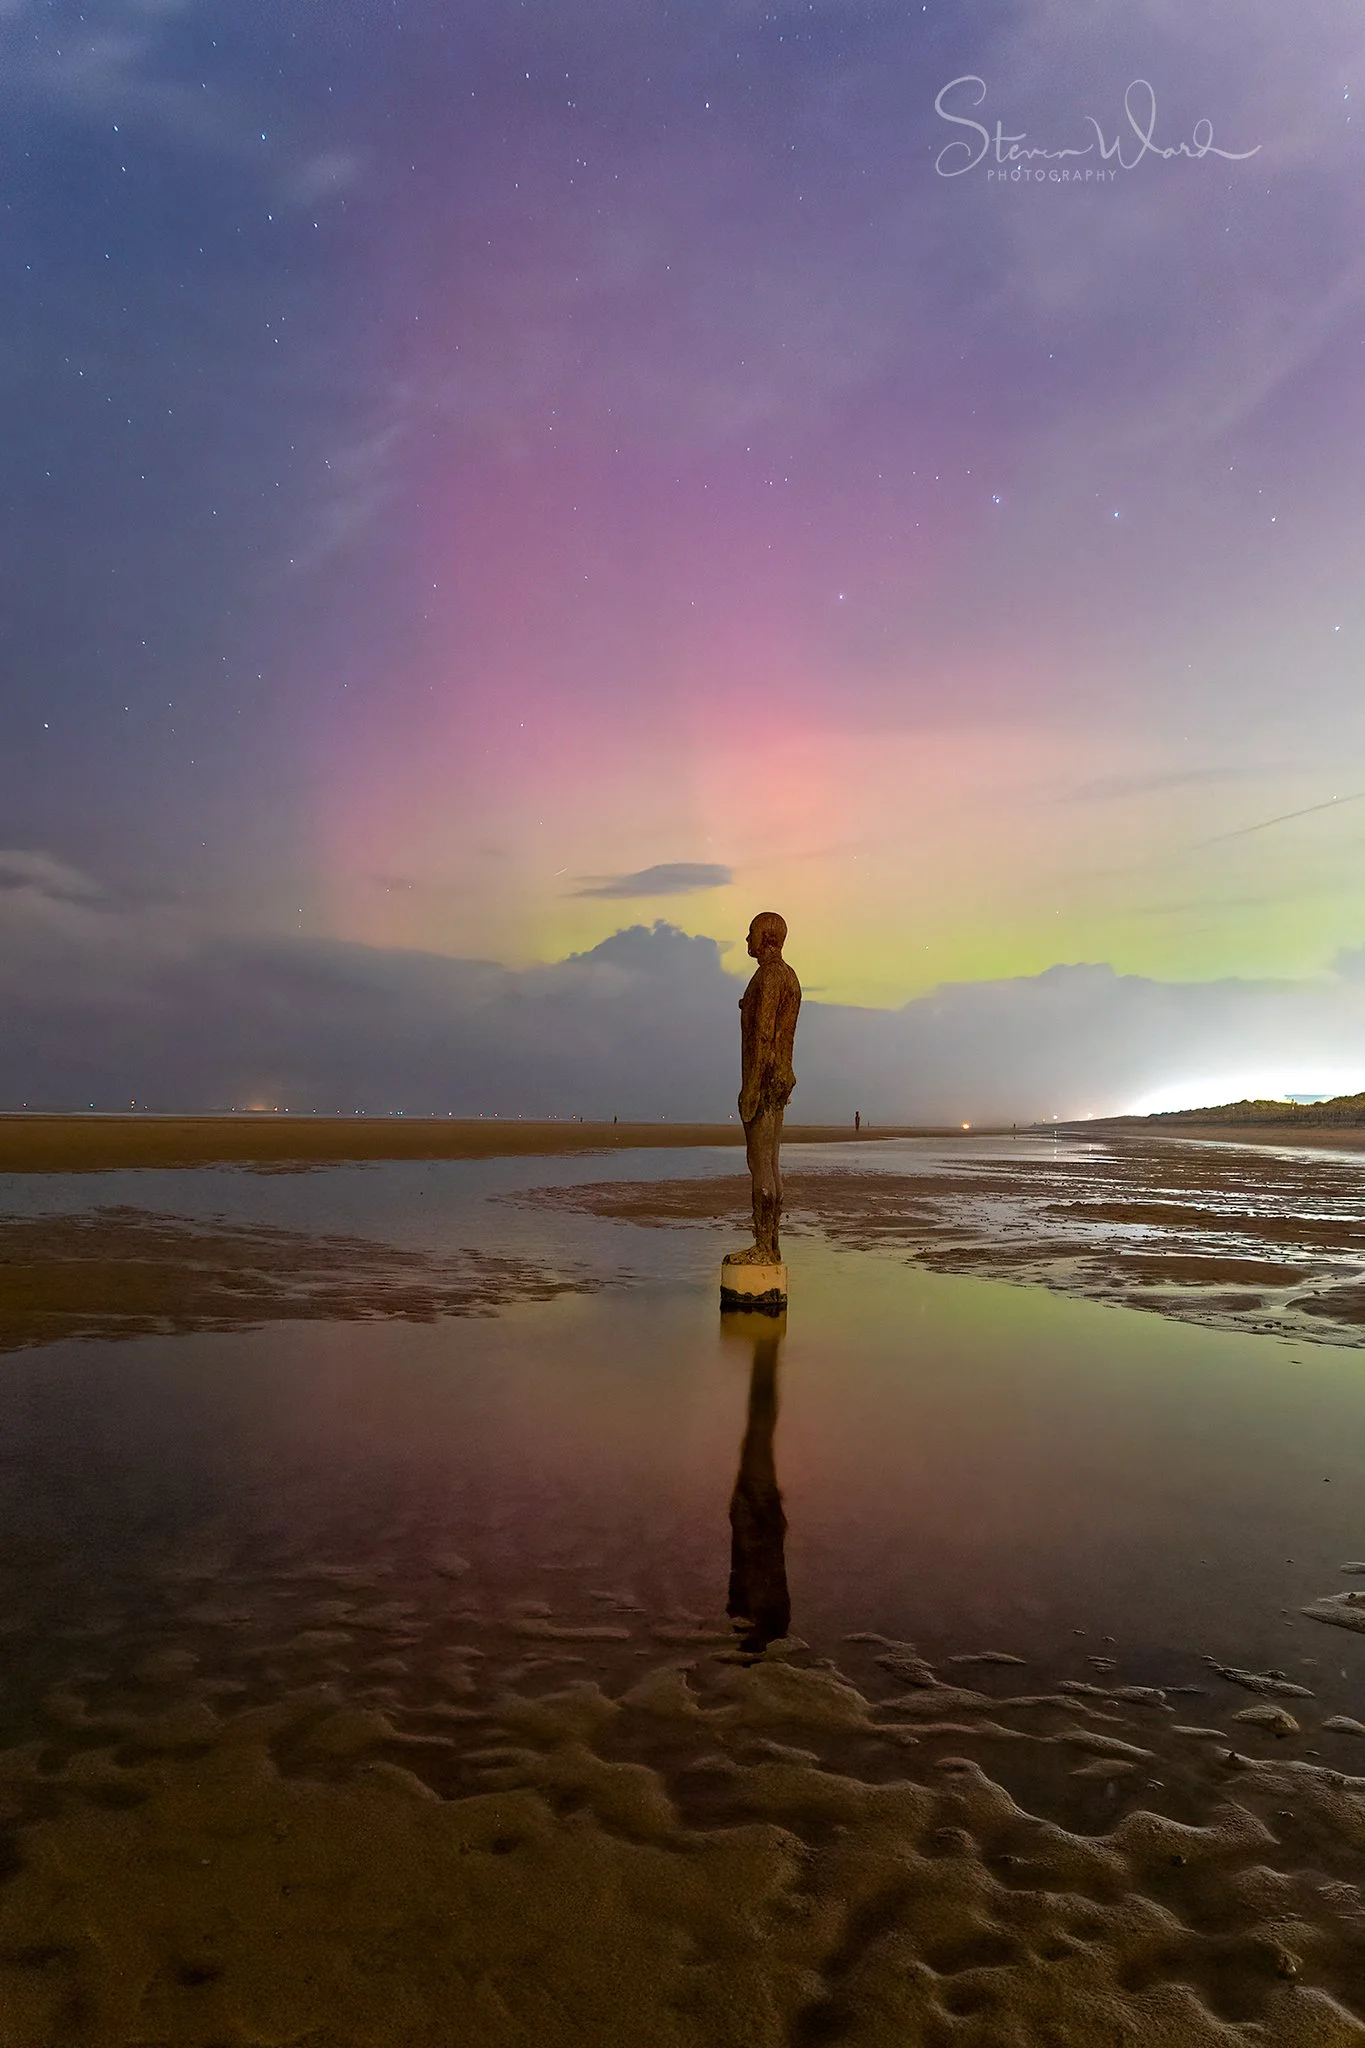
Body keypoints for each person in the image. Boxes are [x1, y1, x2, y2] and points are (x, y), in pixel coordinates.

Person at [731, 911, 801, 1264]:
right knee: (771, 1163)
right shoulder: (790, 976)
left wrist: (751, 1088)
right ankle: (771, 1244)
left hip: (764, 1077)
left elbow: (763, 1034)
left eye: (751, 933)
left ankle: (763, 1245)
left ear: (766, 937)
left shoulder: (768, 977)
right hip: (782, 1076)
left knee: (760, 1162)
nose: (748, 941)